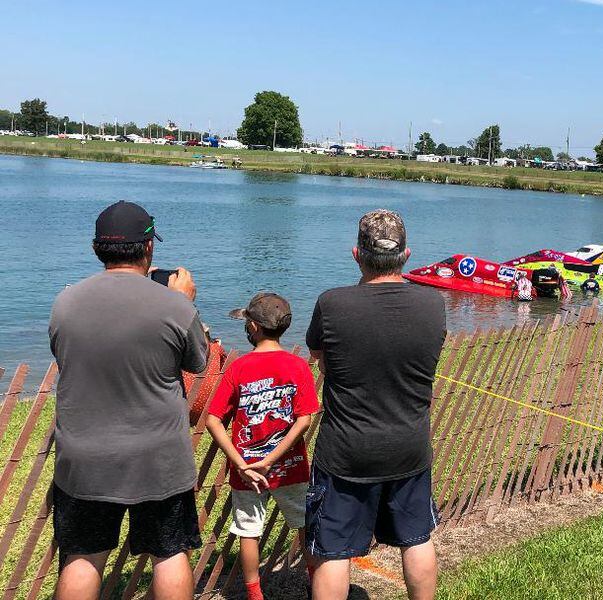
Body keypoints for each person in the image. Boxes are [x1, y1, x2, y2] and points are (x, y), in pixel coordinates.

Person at [49, 201, 207, 600]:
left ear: (96, 249)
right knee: (170, 554)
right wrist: (184, 301)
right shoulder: (174, 306)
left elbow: (64, 355)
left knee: (83, 557)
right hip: (158, 459)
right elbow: (199, 363)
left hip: (85, 457)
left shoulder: (65, 302)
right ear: (149, 248)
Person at [305, 209, 446, 600]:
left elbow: (320, 355)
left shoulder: (332, 303)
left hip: (346, 451)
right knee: (416, 537)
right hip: (409, 446)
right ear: (406, 255)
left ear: (356, 254)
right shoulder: (433, 305)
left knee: (334, 549)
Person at [205, 292, 320, 600]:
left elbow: (213, 420)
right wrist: (273, 459)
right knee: (305, 526)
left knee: (248, 531)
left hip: (247, 471)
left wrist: (242, 463)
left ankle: (255, 595)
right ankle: (315, 583)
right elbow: (304, 419)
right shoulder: (297, 366)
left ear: (253, 327)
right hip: (290, 468)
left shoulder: (238, 368)